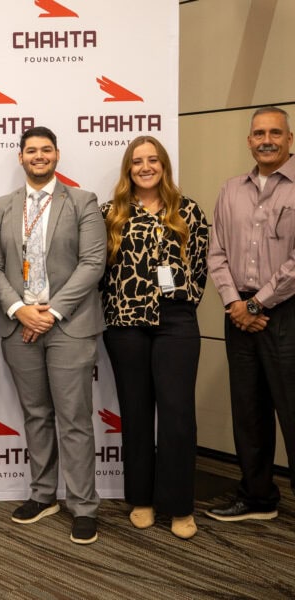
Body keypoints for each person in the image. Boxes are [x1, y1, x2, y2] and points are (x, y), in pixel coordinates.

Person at [0, 126, 106, 545]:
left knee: (73, 418)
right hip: (20, 325)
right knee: (36, 414)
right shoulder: (3, 206)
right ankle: (42, 494)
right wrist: (20, 310)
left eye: (46, 150)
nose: (39, 156)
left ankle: (83, 505)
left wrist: (50, 312)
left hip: (69, 324)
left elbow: (92, 263)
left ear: (57, 155)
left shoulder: (82, 201)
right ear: (20, 157)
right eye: (31, 151)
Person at [100, 136, 209, 539]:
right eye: (137, 161)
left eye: (153, 160)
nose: (145, 167)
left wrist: (179, 304)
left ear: (163, 165)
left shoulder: (189, 210)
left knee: (178, 417)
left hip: (176, 323)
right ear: (128, 168)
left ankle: (180, 505)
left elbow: (199, 269)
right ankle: (141, 499)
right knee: (136, 412)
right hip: (125, 324)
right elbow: (100, 271)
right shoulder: (109, 213)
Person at [206, 106, 295, 522]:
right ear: (248, 140)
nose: (267, 139)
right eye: (259, 132)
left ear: (289, 138)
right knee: (248, 408)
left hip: (285, 312)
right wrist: (234, 304)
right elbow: (216, 251)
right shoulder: (230, 190)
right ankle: (258, 496)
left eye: (275, 132)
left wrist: (257, 304)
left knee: (291, 408)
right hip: (237, 310)